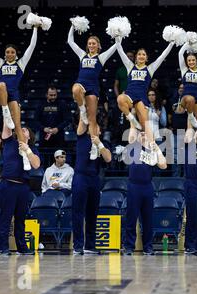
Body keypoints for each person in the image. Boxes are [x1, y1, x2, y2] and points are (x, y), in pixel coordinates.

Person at [0, 23, 40, 170]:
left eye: (12, 52)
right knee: (2, 85)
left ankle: (25, 155)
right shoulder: (0, 63)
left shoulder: (21, 64)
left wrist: (35, 28)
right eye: (7, 52)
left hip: (14, 97)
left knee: (17, 126)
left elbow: (32, 46)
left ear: (16, 54)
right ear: (5, 54)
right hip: (0, 96)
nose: (9, 54)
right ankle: (5, 111)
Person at [68, 22, 117, 160]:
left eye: (94, 43)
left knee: (92, 120)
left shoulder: (100, 57)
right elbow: (70, 41)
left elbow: (115, 47)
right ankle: (82, 110)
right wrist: (73, 25)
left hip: (93, 87)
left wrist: (119, 37)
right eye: (89, 43)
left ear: (98, 46)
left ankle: (95, 146)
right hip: (81, 83)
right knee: (75, 89)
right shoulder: (82, 55)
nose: (91, 45)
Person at [115, 35, 175, 144]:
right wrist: (117, 38)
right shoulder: (130, 66)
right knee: (120, 98)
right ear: (135, 57)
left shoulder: (150, 68)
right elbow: (120, 51)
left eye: (143, 54)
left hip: (142, 98)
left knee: (145, 127)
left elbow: (162, 56)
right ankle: (132, 120)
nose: (141, 56)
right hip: (130, 96)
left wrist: (171, 44)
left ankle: (152, 149)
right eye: (139, 54)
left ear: (146, 58)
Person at [0, 116, 41, 255]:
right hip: (8, 184)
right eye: (20, 129)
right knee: (5, 217)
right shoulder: (10, 142)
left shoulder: (33, 149)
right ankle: (3, 248)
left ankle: (22, 247)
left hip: (23, 187)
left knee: (21, 219)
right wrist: (10, 111)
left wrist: (27, 150)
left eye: (25, 129)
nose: (22, 130)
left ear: (30, 135)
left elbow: (36, 164)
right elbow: (6, 126)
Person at [71, 113, 112, 255]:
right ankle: (77, 245)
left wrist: (99, 143)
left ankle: (90, 245)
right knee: (78, 212)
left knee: (92, 213)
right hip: (80, 177)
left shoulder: (103, 144)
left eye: (97, 127)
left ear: (100, 131)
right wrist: (88, 107)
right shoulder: (82, 137)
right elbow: (83, 121)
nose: (94, 129)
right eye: (92, 127)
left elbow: (108, 158)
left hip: (94, 178)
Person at [123, 128, 167, 256]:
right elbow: (132, 131)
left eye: (145, 133)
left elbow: (163, 165)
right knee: (131, 218)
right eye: (140, 133)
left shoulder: (152, 150)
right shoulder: (133, 146)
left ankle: (148, 247)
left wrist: (155, 146)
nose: (142, 135)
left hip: (147, 187)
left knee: (148, 220)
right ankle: (129, 247)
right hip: (134, 186)